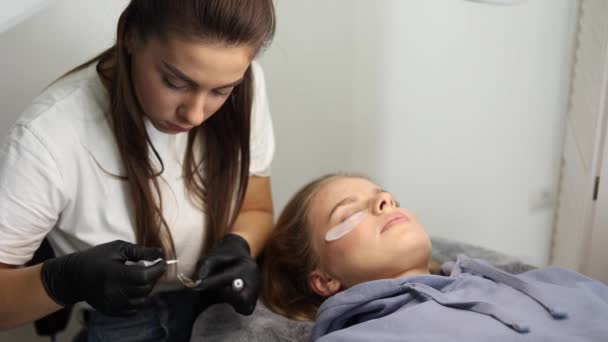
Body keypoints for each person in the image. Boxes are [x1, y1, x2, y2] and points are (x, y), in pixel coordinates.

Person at [0, 1, 276, 341]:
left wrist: (240, 245)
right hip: (119, 322)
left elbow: (256, 208)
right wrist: (63, 281)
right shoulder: (47, 137)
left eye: (220, 91)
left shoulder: (245, 84)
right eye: (175, 82)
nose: (195, 114)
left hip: (212, 302)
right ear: (129, 36)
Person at [261, 174, 608, 341]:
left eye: (386, 197)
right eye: (348, 213)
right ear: (323, 279)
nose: (385, 203)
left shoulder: (551, 282)